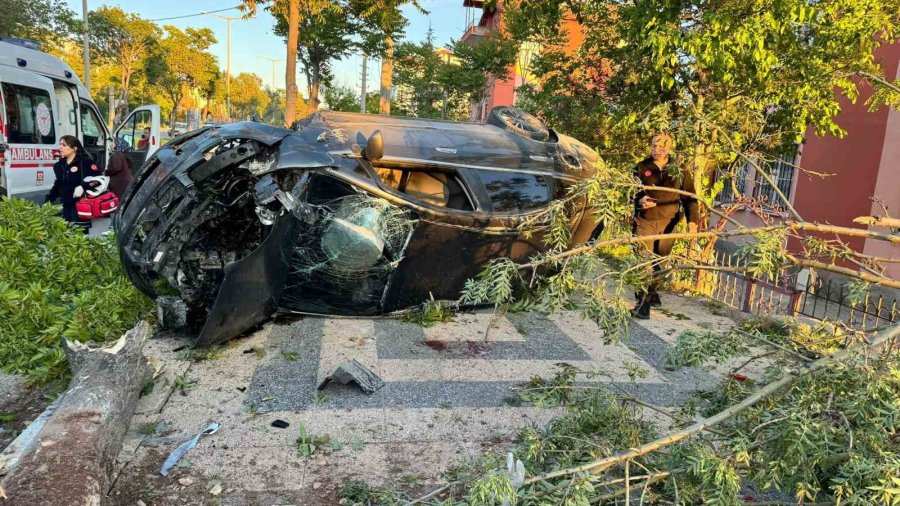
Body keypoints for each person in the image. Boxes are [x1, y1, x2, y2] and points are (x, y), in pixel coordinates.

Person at [631, 132, 700, 319]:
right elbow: (631, 192)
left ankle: (652, 292)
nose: (656, 149)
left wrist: (692, 222)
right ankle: (643, 304)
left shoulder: (679, 169)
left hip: (669, 223)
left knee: (660, 264)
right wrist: (640, 200)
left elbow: (690, 198)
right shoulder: (640, 167)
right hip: (644, 222)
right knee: (643, 262)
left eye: (662, 146)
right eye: (654, 145)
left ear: (669, 147)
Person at [46, 135, 102, 233]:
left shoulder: (85, 163)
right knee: (65, 237)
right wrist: (49, 199)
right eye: (60, 145)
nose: (60, 148)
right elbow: (58, 183)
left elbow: (98, 180)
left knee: (80, 239)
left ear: (74, 148)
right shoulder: (58, 166)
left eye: (64, 145)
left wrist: (83, 186)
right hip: (66, 206)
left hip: (81, 206)